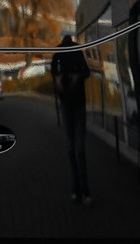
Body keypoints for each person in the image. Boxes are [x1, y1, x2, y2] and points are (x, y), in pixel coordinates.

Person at [51, 34, 91, 206]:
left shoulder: (58, 54)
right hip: (77, 103)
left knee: (72, 148)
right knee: (78, 149)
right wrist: (77, 78)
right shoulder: (76, 52)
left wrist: (59, 81)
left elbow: (54, 74)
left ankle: (77, 189)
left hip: (68, 103)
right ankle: (83, 190)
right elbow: (86, 72)